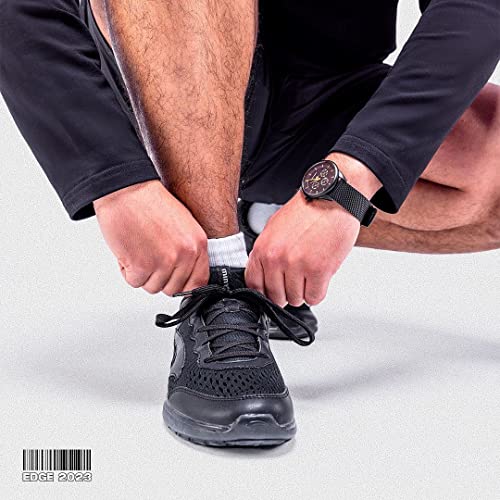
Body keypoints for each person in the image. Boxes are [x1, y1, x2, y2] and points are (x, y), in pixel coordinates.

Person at [1, 0, 499, 447]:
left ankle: (262, 221)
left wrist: (347, 182)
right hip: (154, 73)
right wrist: (118, 186)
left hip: (318, 92)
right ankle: (222, 283)